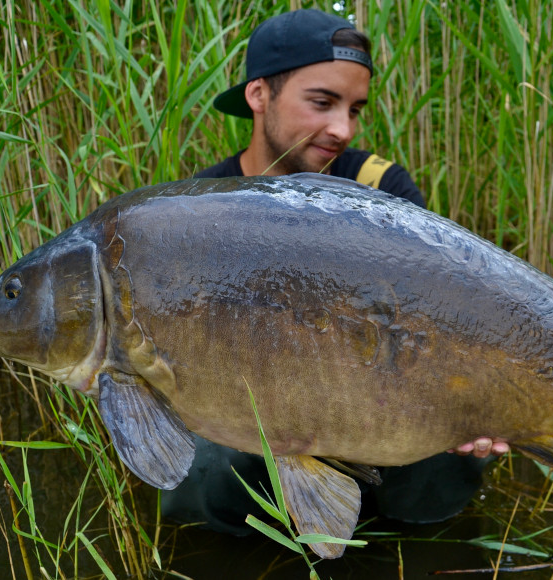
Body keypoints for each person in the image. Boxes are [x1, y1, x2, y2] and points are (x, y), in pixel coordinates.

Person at [163, 8, 509, 537]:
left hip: (374, 402)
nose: (342, 128)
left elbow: (432, 316)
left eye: (354, 108)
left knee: (453, 448)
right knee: (200, 470)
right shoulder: (199, 207)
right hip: (254, 411)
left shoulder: (379, 186)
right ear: (259, 95)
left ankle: (401, 534)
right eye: (322, 103)